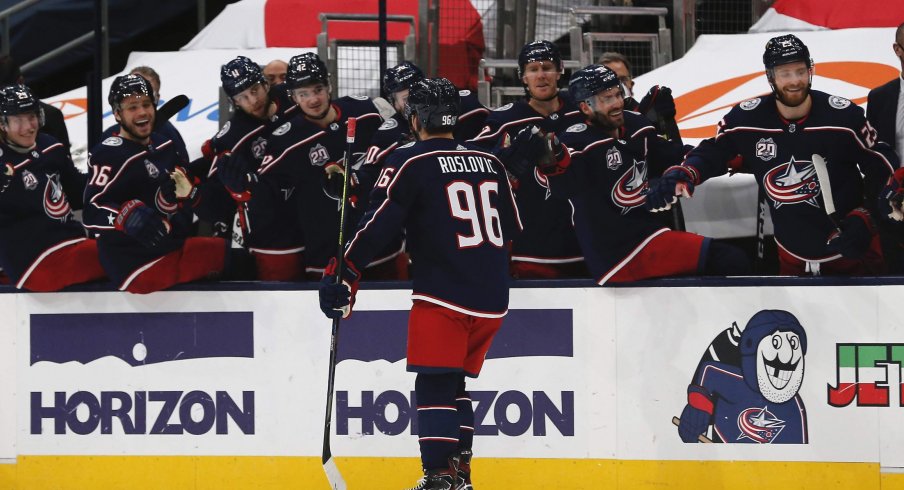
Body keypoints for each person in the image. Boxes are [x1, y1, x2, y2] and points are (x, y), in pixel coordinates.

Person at [319, 77, 522, 490]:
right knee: (454, 382)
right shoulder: (491, 161)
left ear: (415, 117)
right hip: (492, 298)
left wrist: (342, 273)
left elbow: (376, 227)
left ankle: (437, 476)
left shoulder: (409, 160)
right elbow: (515, 228)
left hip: (444, 292)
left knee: (433, 381)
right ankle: (459, 473)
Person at [645, 34, 898, 276]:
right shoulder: (747, 120)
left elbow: (884, 167)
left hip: (850, 256)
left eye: (800, 71)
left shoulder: (843, 118)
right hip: (791, 257)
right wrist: (687, 171)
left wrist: (866, 218)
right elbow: (714, 151)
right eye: (784, 73)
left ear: (810, 70)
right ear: (770, 77)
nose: (795, 80)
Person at [542, 64, 748, 283]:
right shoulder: (577, 142)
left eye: (618, 94)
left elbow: (673, 156)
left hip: (649, 234)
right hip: (616, 252)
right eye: (606, 99)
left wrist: (727, 156)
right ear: (585, 107)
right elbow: (563, 186)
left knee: (725, 261)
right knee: (731, 260)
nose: (617, 103)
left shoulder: (636, 125)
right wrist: (553, 164)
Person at [218, 52, 392, 280]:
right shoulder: (284, 142)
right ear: (293, 97)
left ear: (329, 85)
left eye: (318, 89)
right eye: (303, 93)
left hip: (383, 246)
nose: (313, 100)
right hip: (326, 256)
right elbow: (267, 195)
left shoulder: (366, 112)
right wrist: (245, 189)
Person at [83, 74, 230, 293]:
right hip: (133, 264)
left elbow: (170, 192)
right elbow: (91, 211)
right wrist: (124, 216)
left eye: (146, 104)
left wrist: (208, 163)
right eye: (132, 107)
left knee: (232, 253)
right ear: (117, 114)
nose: (142, 112)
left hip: (166, 247)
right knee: (230, 260)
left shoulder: (164, 144)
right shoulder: (109, 153)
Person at [469, 40, 586, 278]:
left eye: (547, 67)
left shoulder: (582, 110)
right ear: (523, 77)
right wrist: (501, 166)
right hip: (530, 249)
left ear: (559, 70)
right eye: (533, 69)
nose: (541, 75)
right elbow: (473, 166)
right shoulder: (504, 121)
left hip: (584, 244)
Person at [0, 84, 105, 291]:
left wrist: (109, 176)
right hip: (33, 262)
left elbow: (77, 192)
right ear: (2, 124)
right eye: (18, 120)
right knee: (122, 256)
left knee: (127, 246)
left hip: (71, 244)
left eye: (32, 117)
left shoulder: (49, 145)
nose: (29, 126)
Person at [195, 56, 297, 242]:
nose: (253, 100)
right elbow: (213, 203)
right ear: (235, 102)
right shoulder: (233, 137)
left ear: (265, 84)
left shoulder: (293, 96)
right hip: (270, 223)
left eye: (255, 90)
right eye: (242, 97)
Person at [102, 66, 189, 159]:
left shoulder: (168, 134)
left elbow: (184, 170)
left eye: (148, 94)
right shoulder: (108, 136)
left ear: (156, 98)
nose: (141, 112)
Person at [598, 51, 679, 140]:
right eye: (611, 81)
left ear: (631, 83)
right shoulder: (591, 121)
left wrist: (668, 122)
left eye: (623, 79)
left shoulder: (649, 115)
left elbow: (673, 150)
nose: (619, 86)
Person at [0, 55, 70, 151]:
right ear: (20, 81)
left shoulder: (50, 116)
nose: (27, 127)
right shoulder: (51, 115)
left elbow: (63, 161)